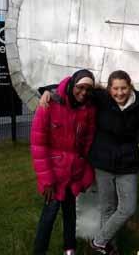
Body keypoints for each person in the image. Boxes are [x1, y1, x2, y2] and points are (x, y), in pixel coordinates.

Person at [39, 70, 139, 255]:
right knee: (108, 208)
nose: (120, 93)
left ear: (130, 87)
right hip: (103, 163)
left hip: (128, 163)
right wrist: (48, 91)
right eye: (116, 88)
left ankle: (98, 241)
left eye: (124, 88)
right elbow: (74, 86)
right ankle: (109, 250)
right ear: (109, 89)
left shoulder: (138, 103)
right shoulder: (101, 98)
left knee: (128, 208)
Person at [30, 69, 97, 255]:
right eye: (80, 88)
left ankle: (69, 248)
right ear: (72, 85)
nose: (83, 93)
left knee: (70, 213)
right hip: (54, 174)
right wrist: (47, 180)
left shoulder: (88, 108)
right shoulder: (49, 104)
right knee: (49, 215)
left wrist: (85, 174)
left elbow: (87, 142)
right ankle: (39, 250)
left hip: (73, 173)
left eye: (88, 90)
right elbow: (38, 145)